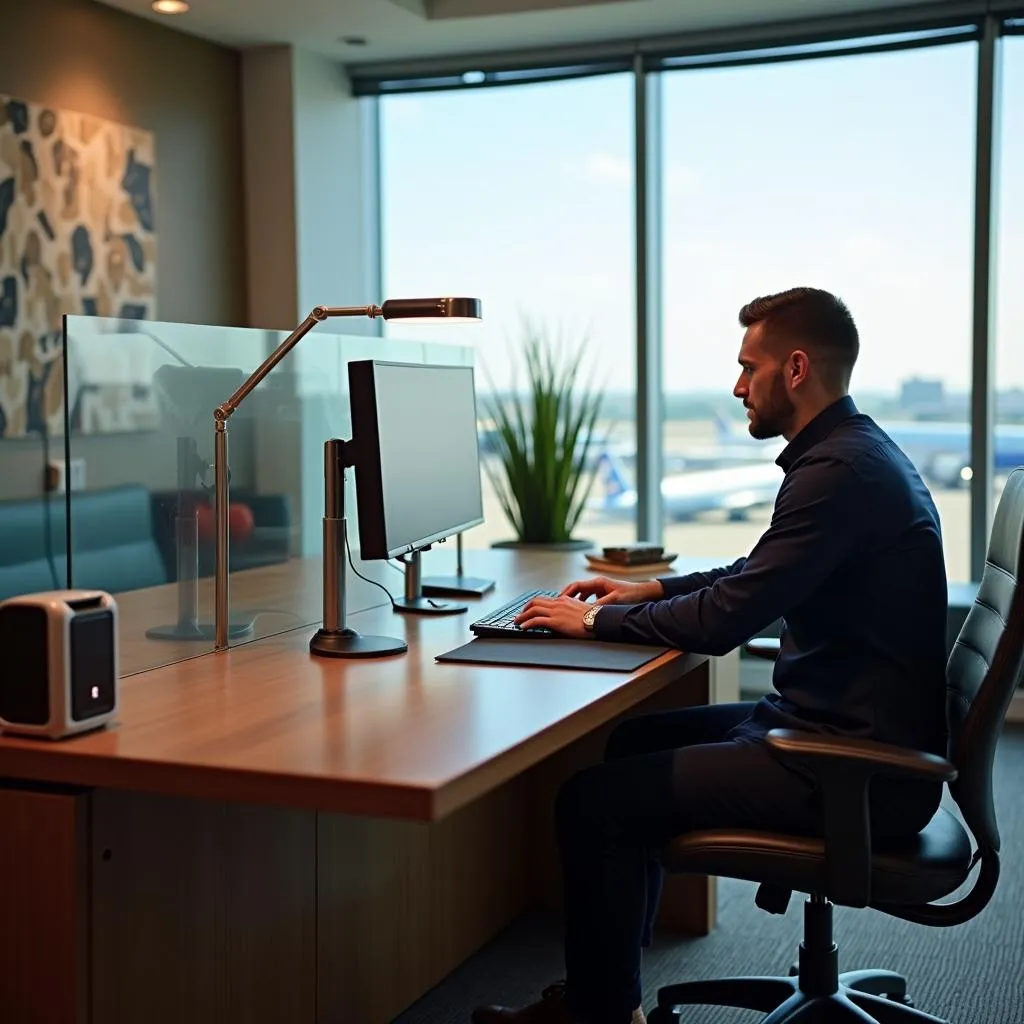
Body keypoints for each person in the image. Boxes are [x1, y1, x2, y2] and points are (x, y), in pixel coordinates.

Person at [471, 287, 950, 1024]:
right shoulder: (851, 454)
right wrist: (645, 589)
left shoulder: (838, 476)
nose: (736, 387)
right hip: (839, 728)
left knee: (592, 804)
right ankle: (613, 994)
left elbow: (730, 617)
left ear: (795, 369)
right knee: (632, 739)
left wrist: (591, 627)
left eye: (746, 367)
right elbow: (755, 573)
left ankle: (599, 1014)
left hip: (850, 766)